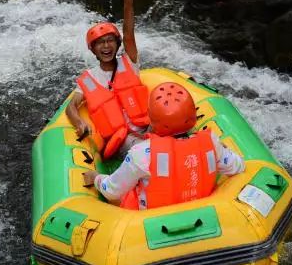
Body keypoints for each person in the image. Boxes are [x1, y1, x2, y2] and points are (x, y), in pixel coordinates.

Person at [82, 82, 246, 210]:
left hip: (151, 222)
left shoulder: (140, 153)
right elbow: (238, 166)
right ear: (192, 117)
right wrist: (222, 148)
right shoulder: (211, 141)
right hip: (204, 211)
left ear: (152, 122)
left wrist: (96, 178)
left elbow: (111, 190)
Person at [64, 0, 148, 159]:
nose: (106, 46)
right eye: (100, 43)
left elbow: (128, 34)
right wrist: (79, 123)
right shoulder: (89, 78)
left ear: (117, 44)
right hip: (123, 139)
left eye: (110, 41)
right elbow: (71, 106)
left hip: (148, 125)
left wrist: (128, 1)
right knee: (149, 151)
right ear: (93, 49)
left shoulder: (130, 62)